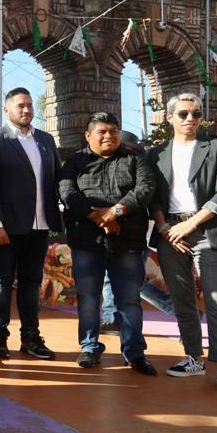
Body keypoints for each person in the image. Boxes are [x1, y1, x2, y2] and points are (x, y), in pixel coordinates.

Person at [148, 93, 217, 396]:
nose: (190, 119)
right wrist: (166, 228)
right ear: (169, 118)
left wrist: (189, 225)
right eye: (183, 114)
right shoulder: (155, 154)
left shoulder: (216, 147)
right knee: (182, 299)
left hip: (206, 230)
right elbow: (152, 196)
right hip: (170, 234)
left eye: (196, 113)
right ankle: (194, 357)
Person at [58, 112, 156, 375]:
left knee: (129, 299)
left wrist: (116, 212)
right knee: (88, 297)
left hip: (127, 241)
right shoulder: (75, 162)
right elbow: (67, 191)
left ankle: (134, 352)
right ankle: (89, 346)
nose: (108, 136)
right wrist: (98, 216)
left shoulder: (135, 158)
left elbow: (145, 188)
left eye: (113, 130)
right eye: (101, 131)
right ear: (88, 135)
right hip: (86, 241)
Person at [0, 87, 61, 360]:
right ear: (7, 109)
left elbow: (56, 180)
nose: (26, 110)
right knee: (2, 281)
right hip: (6, 226)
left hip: (40, 225)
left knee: (31, 283)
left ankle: (30, 338)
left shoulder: (46, 141)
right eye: (20, 106)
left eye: (29, 105)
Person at [99, 130, 175, 333]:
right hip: (128, 233)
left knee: (131, 281)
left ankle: (179, 310)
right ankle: (111, 318)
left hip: (135, 234)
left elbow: (138, 198)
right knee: (120, 278)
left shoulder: (138, 169)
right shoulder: (143, 166)